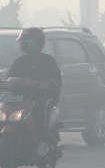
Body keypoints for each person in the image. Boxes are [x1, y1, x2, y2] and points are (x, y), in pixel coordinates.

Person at [6, 27, 63, 156]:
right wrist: (0, 83)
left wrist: (50, 84)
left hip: (43, 97)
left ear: (40, 44)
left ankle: (42, 141)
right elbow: (9, 77)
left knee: (39, 108)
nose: (26, 46)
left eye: (30, 43)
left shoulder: (49, 61)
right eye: (24, 43)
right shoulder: (19, 62)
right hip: (21, 98)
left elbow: (57, 80)